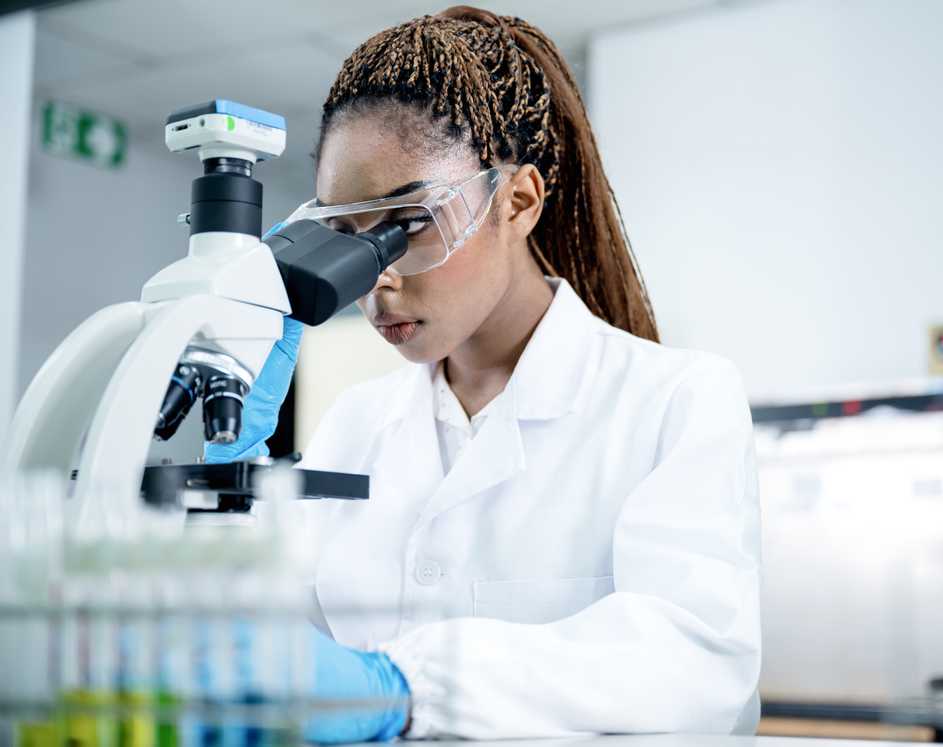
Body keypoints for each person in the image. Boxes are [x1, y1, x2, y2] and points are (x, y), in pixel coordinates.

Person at [207, 5, 761, 742]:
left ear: (519, 202)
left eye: (408, 223)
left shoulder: (677, 401)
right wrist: (228, 502)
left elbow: (697, 666)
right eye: (343, 235)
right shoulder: (355, 423)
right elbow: (265, 660)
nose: (375, 282)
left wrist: (406, 689)